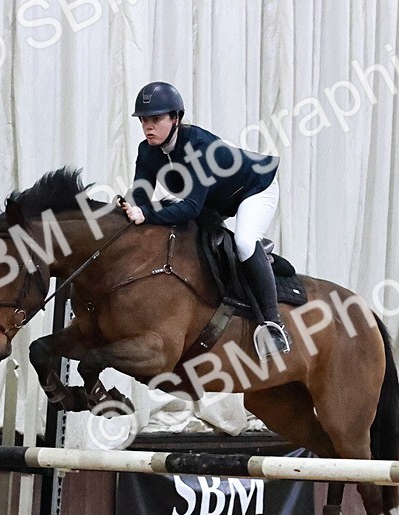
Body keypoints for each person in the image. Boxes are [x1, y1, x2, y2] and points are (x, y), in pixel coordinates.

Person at [120, 81, 291, 359]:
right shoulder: (147, 151)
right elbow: (140, 194)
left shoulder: (198, 147)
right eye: (144, 120)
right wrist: (124, 210)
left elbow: (190, 208)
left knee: (245, 242)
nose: (148, 126)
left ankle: (273, 324)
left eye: (156, 119)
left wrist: (147, 213)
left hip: (254, 187)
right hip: (215, 198)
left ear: (176, 118)